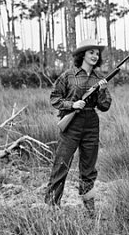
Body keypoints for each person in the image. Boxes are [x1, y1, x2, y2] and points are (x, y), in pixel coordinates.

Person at [45, 38, 111, 215]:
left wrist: (102, 91)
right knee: (61, 164)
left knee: (89, 169)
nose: (95, 56)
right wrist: (72, 105)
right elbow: (54, 98)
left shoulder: (100, 79)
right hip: (72, 123)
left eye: (97, 53)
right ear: (82, 55)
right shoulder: (69, 75)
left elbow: (105, 106)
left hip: (91, 124)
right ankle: (52, 206)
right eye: (91, 52)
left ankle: (90, 210)